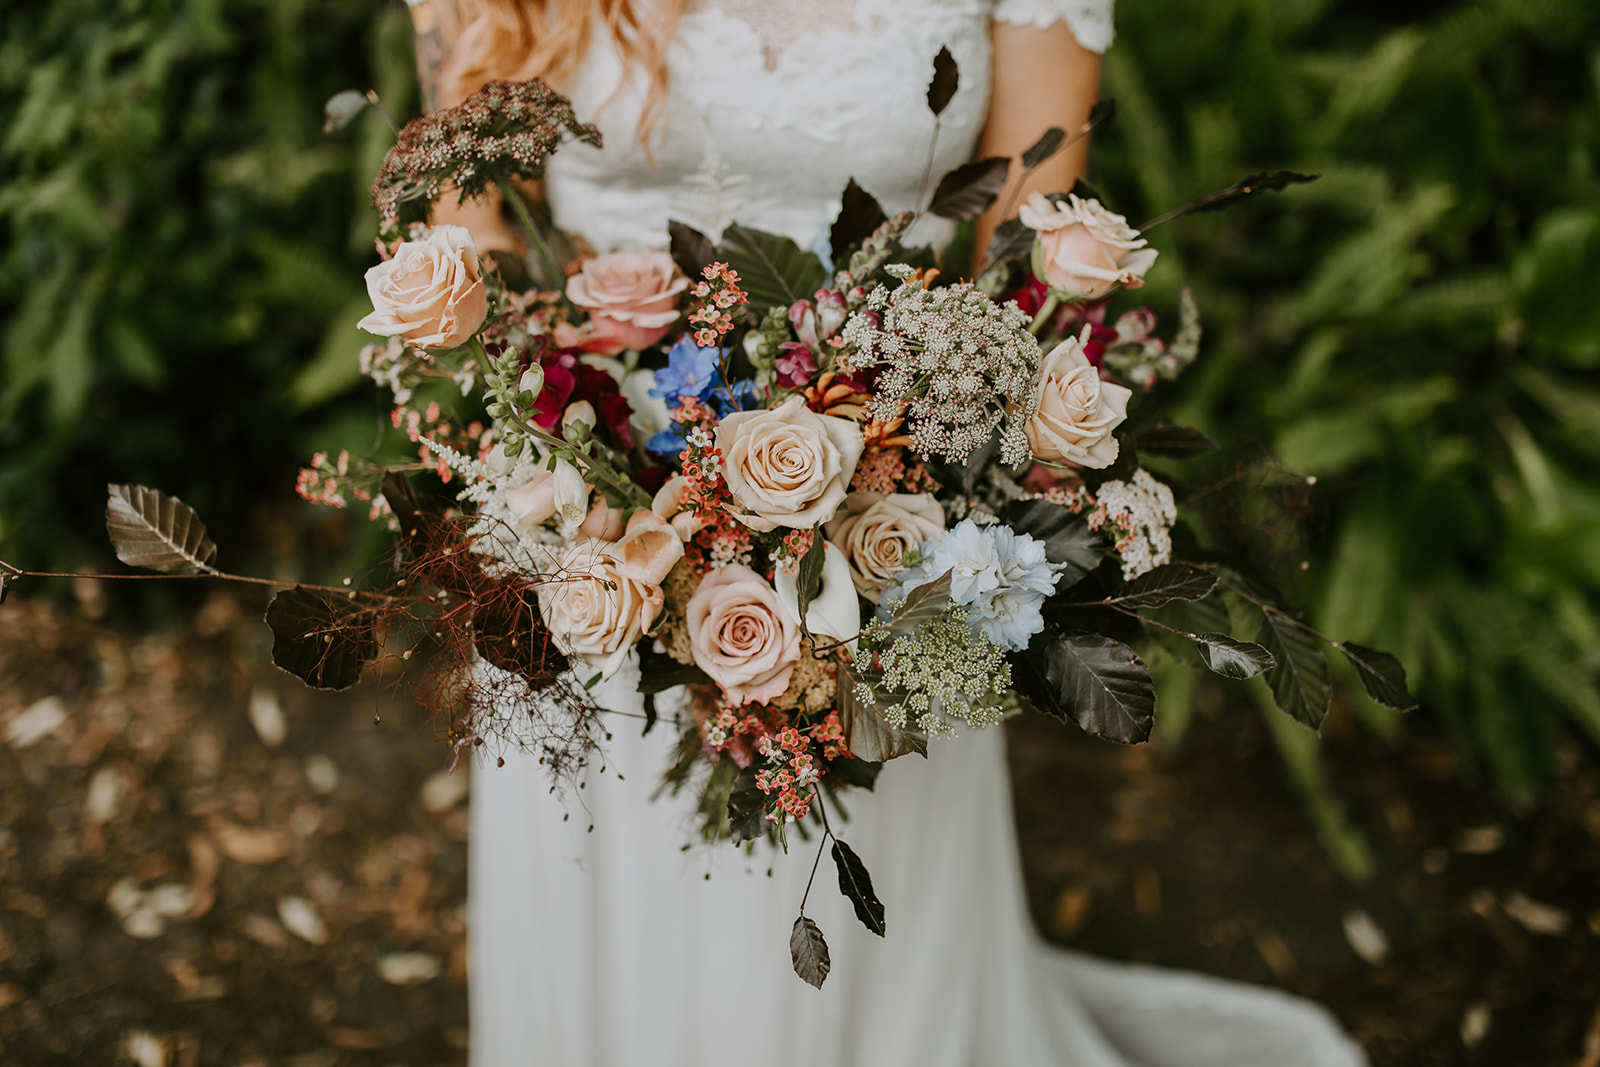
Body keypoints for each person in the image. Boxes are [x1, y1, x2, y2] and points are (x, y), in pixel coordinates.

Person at [405, 2, 1370, 1064]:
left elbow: (1029, 219)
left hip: (889, 504)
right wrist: (573, 470)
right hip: (593, 516)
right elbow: (474, 214)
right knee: (619, 854)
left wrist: (906, 474)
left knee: (856, 869)